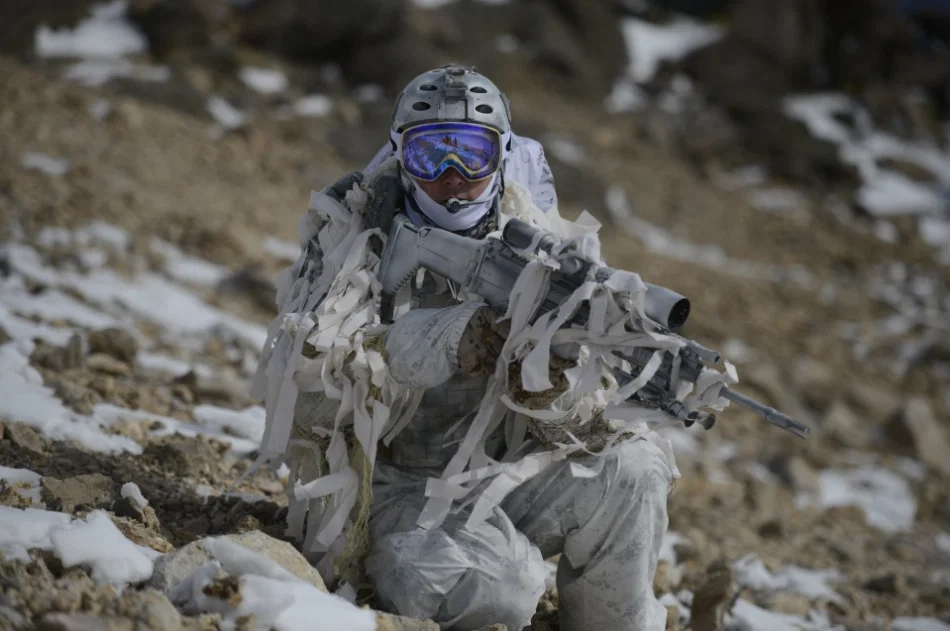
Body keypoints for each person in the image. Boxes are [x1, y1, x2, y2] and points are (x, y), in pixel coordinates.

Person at [254, 64, 677, 631]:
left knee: (636, 466)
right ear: (402, 156)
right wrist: (457, 335)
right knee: (503, 588)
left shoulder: (544, 251)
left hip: (501, 476)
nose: (452, 175)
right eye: (432, 156)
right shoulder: (352, 240)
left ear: (501, 155)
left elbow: (590, 411)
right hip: (388, 494)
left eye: (471, 154)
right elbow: (309, 388)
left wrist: (549, 396)